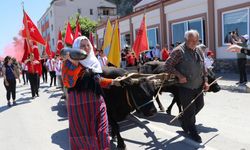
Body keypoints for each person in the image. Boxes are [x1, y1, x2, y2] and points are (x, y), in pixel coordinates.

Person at [62, 36, 120, 150]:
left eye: (88, 45)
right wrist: (75, 64)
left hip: (97, 103)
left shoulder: (94, 62)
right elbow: (68, 83)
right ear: (76, 48)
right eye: (82, 46)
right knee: (84, 138)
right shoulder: (68, 63)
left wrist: (113, 82)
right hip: (80, 107)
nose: (86, 48)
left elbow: (97, 80)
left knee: (103, 134)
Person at [165, 29, 209, 143]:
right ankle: (192, 131)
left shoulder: (199, 49)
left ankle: (184, 119)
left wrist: (206, 81)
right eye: (191, 41)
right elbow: (168, 65)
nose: (194, 43)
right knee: (189, 110)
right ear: (186, 40)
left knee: (200, 105)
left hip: (198, 85)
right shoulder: (179, 51)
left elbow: (203, 67)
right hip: (185, 87)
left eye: (196, 41)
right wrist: (179, 75)